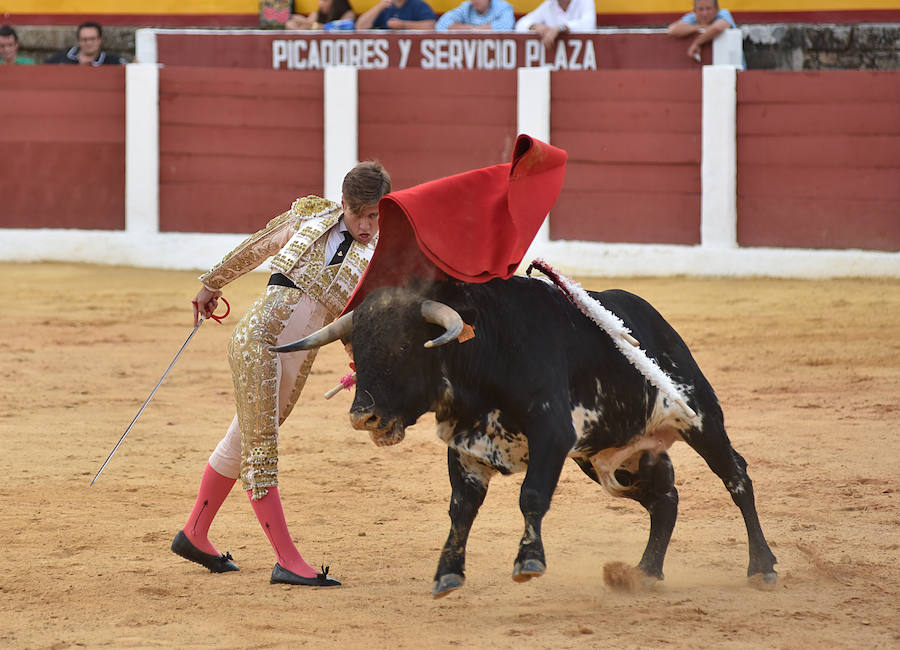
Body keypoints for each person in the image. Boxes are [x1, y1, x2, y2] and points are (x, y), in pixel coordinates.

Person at [171, 161, 392, 586]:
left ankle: (195, 534)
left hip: (295, 361)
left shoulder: (375, 258)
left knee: (242, 442)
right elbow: (257, 247)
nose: (367, 225)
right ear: (343, 203)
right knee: (261, 452)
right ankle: (287, 560)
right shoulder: (310, 215)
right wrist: (212, 283)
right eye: (360, 213)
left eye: (375, 216)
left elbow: (356, 325)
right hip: (258, 343)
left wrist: (364, 368)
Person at [667, 0, 737, 63]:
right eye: (701, 9)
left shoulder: (723, 13)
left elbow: (718, 28)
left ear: (717, 9)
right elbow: (672, 30)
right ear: (695, 11)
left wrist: (697, 43)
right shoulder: (692, 17)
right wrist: (701, 27)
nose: (705, 13)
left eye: (708, 8)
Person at [514, 0, 596, 48]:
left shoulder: (585, 1)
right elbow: (520, 25)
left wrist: (560, 28)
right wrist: (535, 26)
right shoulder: (549, 4)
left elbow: (588, 24)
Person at [46, 21, 126, 65]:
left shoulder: (113, 62)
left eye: (92, 39)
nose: (88, 43)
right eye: (84, 39)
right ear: (79, 41)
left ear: (99, 40)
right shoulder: (59, 59)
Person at [355, 0, 437, 31]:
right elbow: (360, 26)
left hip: (413, 51)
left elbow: (431, 26)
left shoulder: (418, 5)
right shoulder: (385, 6)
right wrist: (379, 7)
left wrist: (403, 24)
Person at [435, 0, 515, 31]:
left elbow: (506, 26)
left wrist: (465, 29)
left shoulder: (503, 7)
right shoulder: (466, 7)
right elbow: (441, 24)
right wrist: (474, 29)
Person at [286, 0, 356, 30]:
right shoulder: (316, 13)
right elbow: (305, 27)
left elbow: (338, 29)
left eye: (324, 0)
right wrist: (295, 25)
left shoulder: (348, 14)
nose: (320, 3)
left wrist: (308, 23)